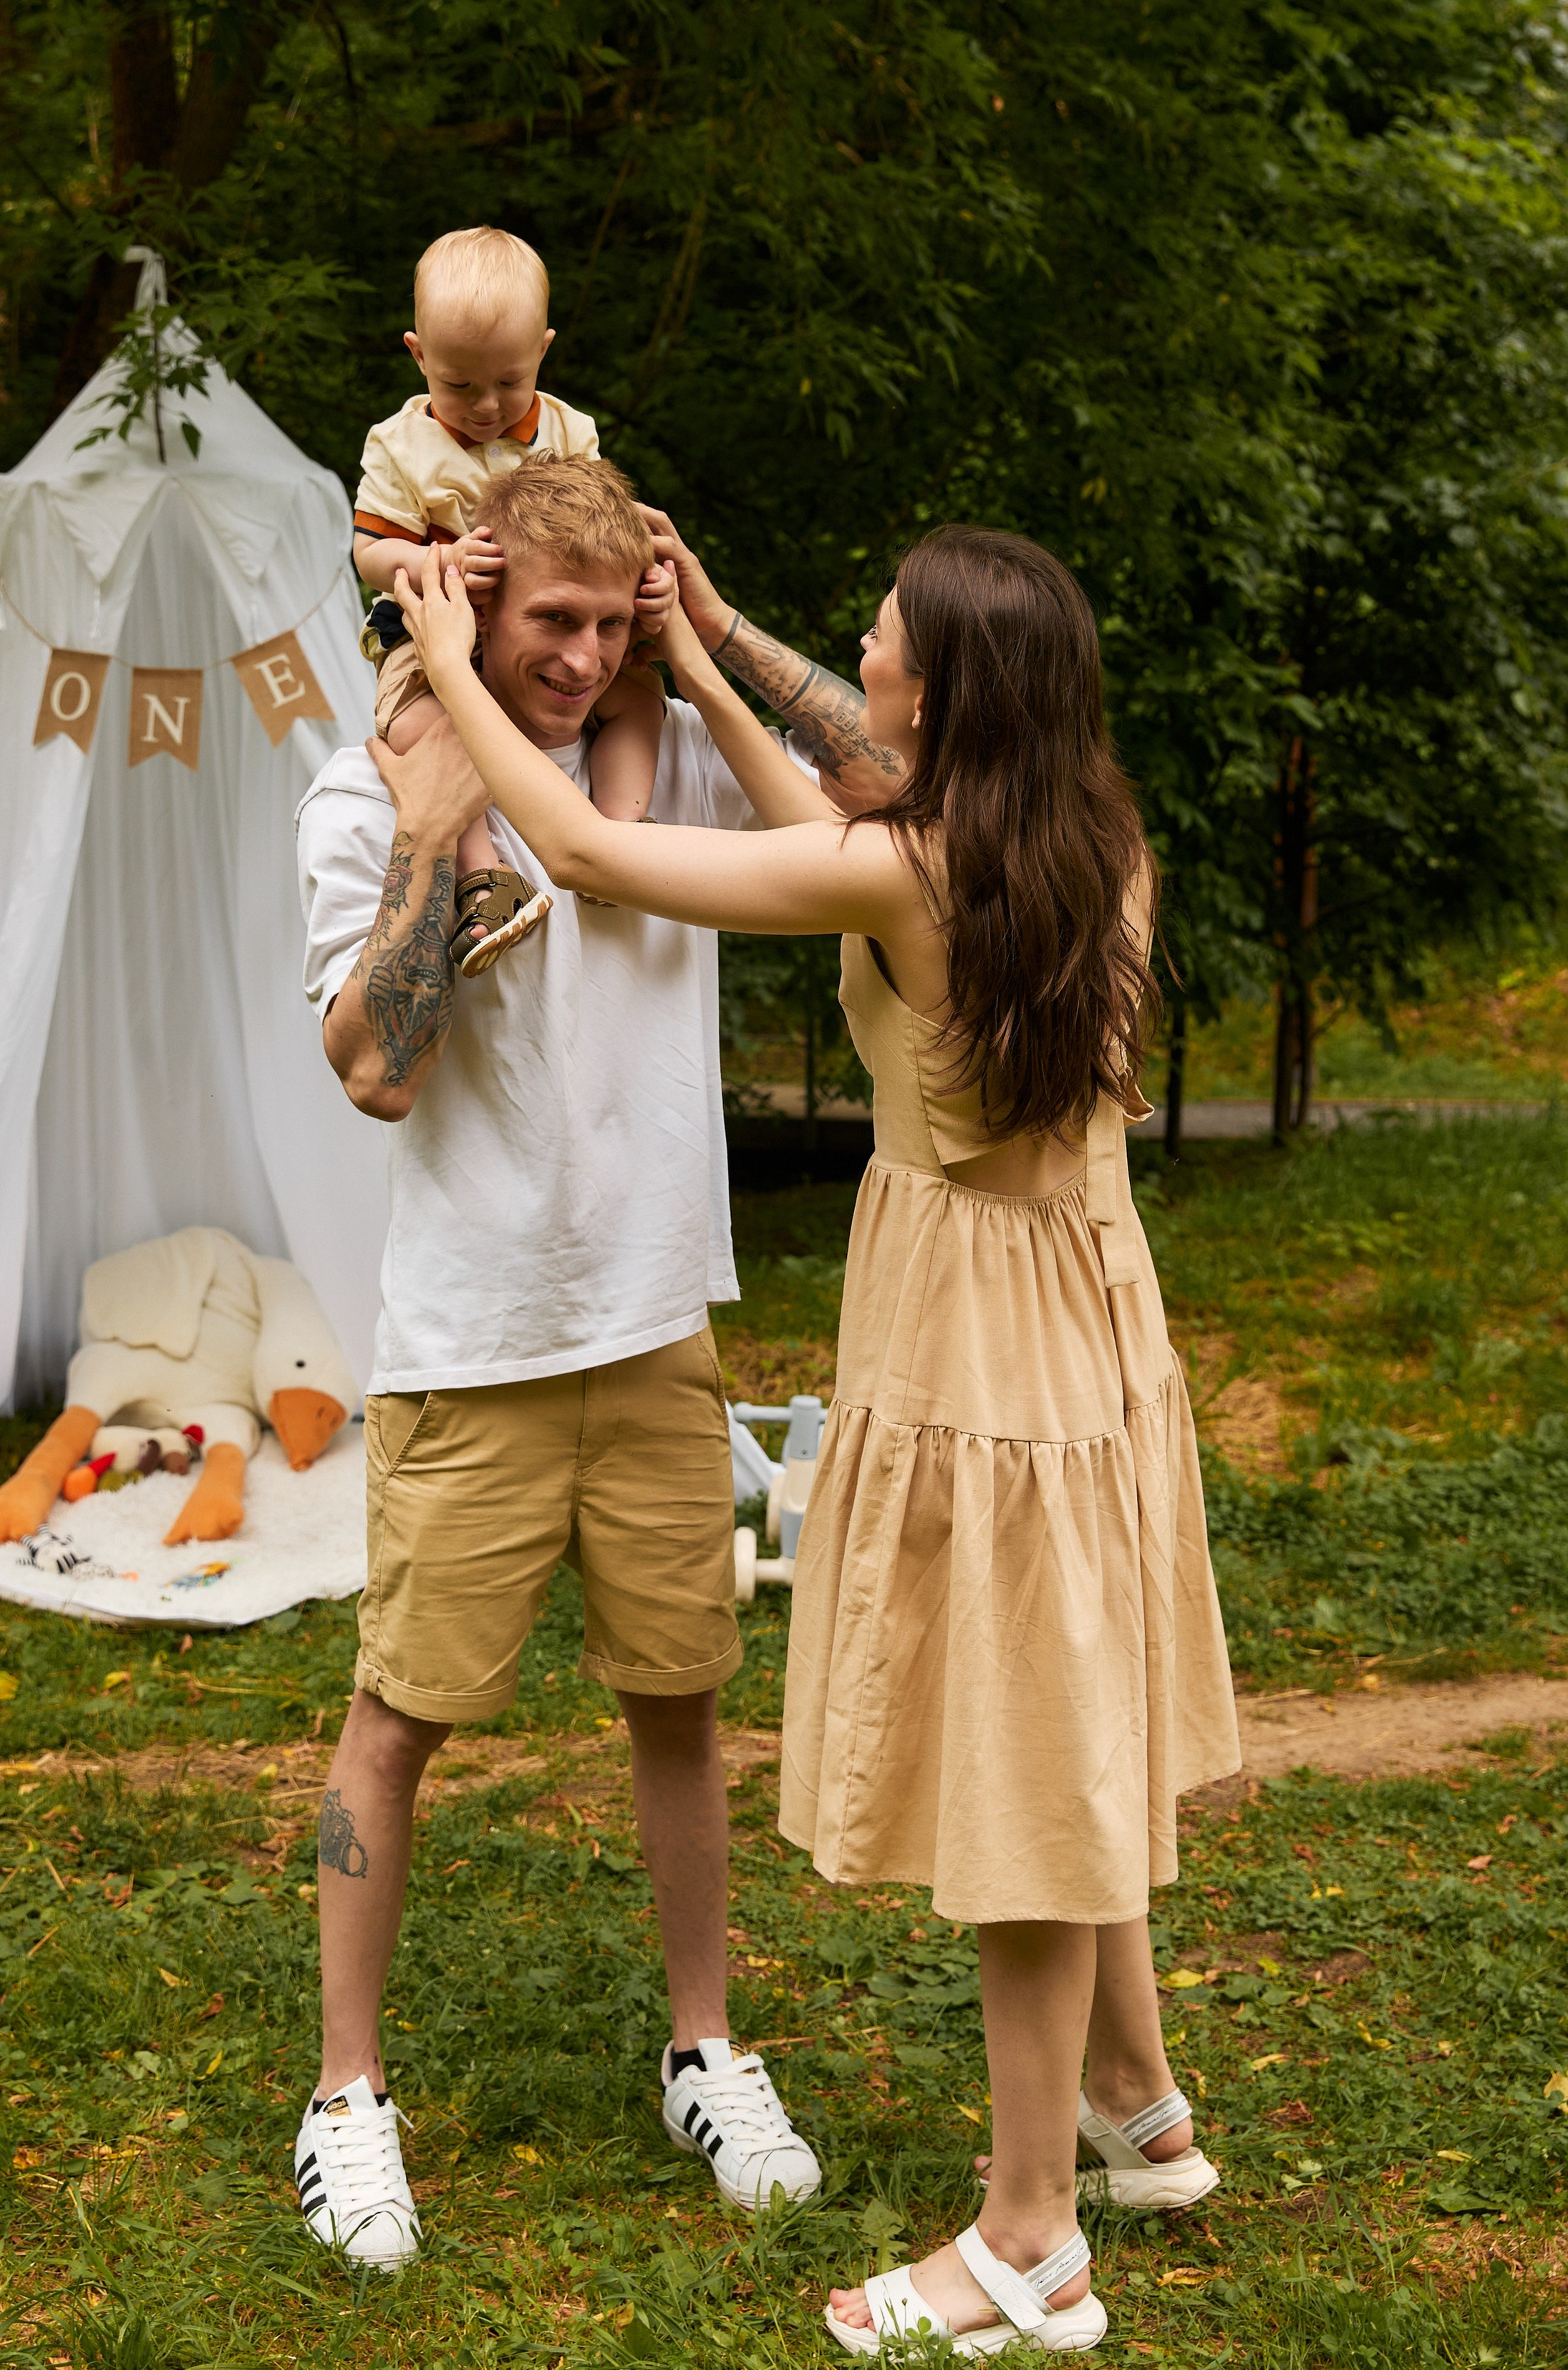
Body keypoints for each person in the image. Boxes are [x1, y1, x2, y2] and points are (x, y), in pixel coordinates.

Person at [397, 521, 1243, 2360]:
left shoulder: (908, 868)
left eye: (877, 631)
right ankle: (1135, 2103)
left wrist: (439, 657)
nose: (853, 644)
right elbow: (840, 840)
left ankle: (1027, 2239)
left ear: (930, 690)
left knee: (1019, 1772)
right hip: (1092, 1323)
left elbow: (595, 847)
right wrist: (696, 657)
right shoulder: (1084, 841)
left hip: (978, 1345)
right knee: (1074, 1711)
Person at [291, 451, 821, 2269]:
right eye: (551, 622)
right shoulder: (362, 791)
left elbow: (883, 802)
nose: (583, 658)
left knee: (680, 1700)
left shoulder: (668, 762)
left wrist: (711, 629)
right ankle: (345, 2096)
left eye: (610, 625)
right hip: (477, 1345)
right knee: (397, 1722)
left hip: (658, 1328)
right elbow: (373, 1066)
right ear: (473, 602)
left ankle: (705, 2044)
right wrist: (440, 817)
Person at [351, 225, 669, 973]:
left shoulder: (568, 430)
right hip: (429, 628)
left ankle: (618, 838)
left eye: (509, 382)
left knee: (638, 697)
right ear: (418, 354)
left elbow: (602, 537)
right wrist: (441, 558)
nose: (487, 406)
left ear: (544, 353)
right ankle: (484, 873)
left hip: (543, 626)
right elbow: (369, 553)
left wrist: (643, 576)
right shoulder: (399, 445)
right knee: (423, 729)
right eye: (459, 385)